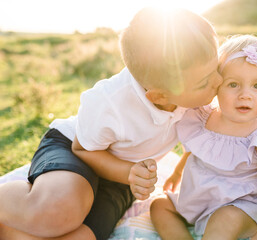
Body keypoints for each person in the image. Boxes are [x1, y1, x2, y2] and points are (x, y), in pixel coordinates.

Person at [0, 7, 223, 240]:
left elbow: (206, 133)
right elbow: (82, 148)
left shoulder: (197, 95)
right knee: (58, 212)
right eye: (204, 82)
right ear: (159, 97)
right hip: (77, 149)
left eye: (216, 68)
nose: (218, 82)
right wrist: (129, 171)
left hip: (122, 180)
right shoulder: (110, 101)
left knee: (80, 236)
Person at [150, 35, 257, 240]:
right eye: (233, 84)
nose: (245, 95)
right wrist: (177, 172)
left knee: (224, 219)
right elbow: (197, 152)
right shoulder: (203, 117)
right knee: (159, 206)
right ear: (216, 86)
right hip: (199, 199)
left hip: (241, 208)